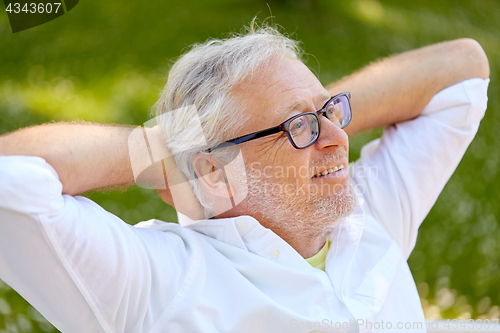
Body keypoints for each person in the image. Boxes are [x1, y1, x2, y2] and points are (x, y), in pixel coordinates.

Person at [0, 23, 489, 333]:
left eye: (333, 113)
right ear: (215, 171)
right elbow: (10, 178)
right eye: (297, 127)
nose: (339, 139)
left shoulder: (364, 212)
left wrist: (310, 113)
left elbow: (462, 71)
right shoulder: (162, 281)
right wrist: (165, 149)